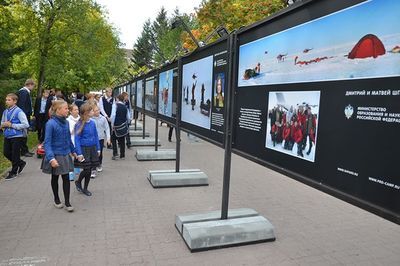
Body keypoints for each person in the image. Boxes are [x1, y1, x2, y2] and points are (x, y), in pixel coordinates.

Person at [41, 100, 75, 211]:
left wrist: (74, 151)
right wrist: (51, 158)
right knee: (55, 177)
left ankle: (68, 202)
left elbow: (69, 139)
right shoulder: (50, 124)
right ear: (58, 110)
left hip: (65, 154)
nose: (67, 110)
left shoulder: (67, 122)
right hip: (55, 155)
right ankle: (56, 199)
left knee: (66, 177)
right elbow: (47, 142)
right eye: (65, 108)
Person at [1, 93, 30, 180]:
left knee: (15, 154)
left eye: (9, 100)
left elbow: (26, 124)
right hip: (7, 135)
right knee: (6, 152)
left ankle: (14, 172)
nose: (7, 101)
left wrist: (12, 125)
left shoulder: (19, 112)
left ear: (15, 101)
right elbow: (2, 122)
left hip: (17, 136)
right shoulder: (5, 111)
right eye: (6, 100)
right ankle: (20, 163)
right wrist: (3, 124)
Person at [74, 103, 100, 196]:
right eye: (91, 110)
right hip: (84, 149)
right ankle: (79, 182)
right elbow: (76, 139)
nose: (93, 112)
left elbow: (96, 136)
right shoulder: (79, 124)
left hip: (92, 148)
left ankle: (85, 187)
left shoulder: (92, 123)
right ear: (86, 113)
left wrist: (98, 148)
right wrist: (79, 153)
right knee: (86, 169)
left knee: (89, 169)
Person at [16, 79, 35, 157]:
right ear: (30, 84)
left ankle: (24, 150)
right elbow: (22, 106)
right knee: (23, 134)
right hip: (23, 117)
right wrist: (23, 118)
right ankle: (24, 151)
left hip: (24, 116)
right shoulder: (24, 92)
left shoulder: (24, 92)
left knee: (24, 134)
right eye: (33, 85)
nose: (33, 87)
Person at [92, 105, 110, 174]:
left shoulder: (103, 118)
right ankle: (93, 167)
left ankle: (99, 164)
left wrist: (108, 138)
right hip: (92, 139)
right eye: (96, 110)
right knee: (93, 153)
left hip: (100, 138)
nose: (97, 112)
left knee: (100, 152)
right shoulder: (91, 119)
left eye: (98, 110)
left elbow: (107, 128)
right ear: (92, 111)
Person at [110, 94, 129, 160]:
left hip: (116, 126)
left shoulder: (115, 105)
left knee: (113, 139)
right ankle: (122, 155)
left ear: (117, 99)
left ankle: (115, 154)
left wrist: (112, 124)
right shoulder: (125, 107)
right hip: (123, 125)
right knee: (122, 140)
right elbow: (128, 117)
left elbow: (113, 116)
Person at [66, 104, 80, 181]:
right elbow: (69, 132)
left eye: (77, 109)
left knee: (78, 155)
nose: (77, 111)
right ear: (70, 111)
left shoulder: (81, 119)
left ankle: (77, 167)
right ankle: (70, 173)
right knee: (71, 157)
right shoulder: (68, 120)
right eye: (75, 110)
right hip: (71, 140)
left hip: (79, 140)